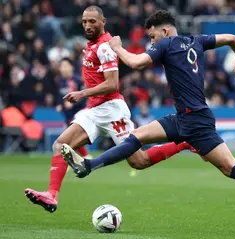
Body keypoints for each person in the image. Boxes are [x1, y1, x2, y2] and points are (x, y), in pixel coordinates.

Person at [62, 9, 235, 221]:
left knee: (230, 167)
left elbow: (136, 63)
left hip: (194, 121)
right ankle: (88, 165)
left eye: (152, 36)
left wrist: (117, 48)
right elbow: (232, 37)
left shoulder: (167, 44)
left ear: (166, 31)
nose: (151, 42)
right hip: (188, 116)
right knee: (136, 137)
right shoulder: (197, 40)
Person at [24, 6, 191, 213]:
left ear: (103, 21)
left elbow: (113, 84)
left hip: (112, 110)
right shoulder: (93, 45)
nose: (87, 25)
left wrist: (82, 93)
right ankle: (52, 195)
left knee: (139, 161)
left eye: (92, 21)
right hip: (94, 110)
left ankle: (184, 143)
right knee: (60, 145)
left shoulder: (104, 47)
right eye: (84, 21)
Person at [55, 57, 91, 159]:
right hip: (67, 114)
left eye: (65, 66)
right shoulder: (60, 82)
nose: (63, 69)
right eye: (61, 66)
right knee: (71, 139)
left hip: (78, 114)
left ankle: (85, 157)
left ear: (71, 67)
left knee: (71, 138)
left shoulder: (78, 81)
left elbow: (84, 98)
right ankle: (81, 158)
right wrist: (59, 105)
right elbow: (59, 97)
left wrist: (73, 104)